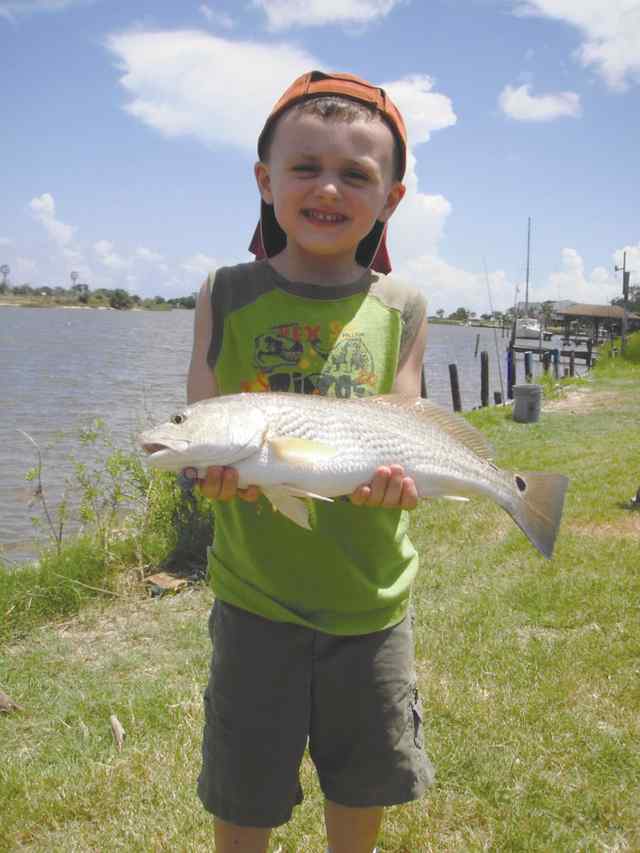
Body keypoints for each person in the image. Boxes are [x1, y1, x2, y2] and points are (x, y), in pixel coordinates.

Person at [186, 70, 433, 853]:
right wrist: (202, 465)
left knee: (364, 777)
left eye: (356, 173)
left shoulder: (405, 306)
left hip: (371, 599)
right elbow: (199, 417)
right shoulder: (224, 291)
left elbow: (403, 424)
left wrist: (403, 483)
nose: (328, 187)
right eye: (304, 167)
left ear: (390, 197)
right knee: (245, 781)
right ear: (265, 181)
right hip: (255, 599)